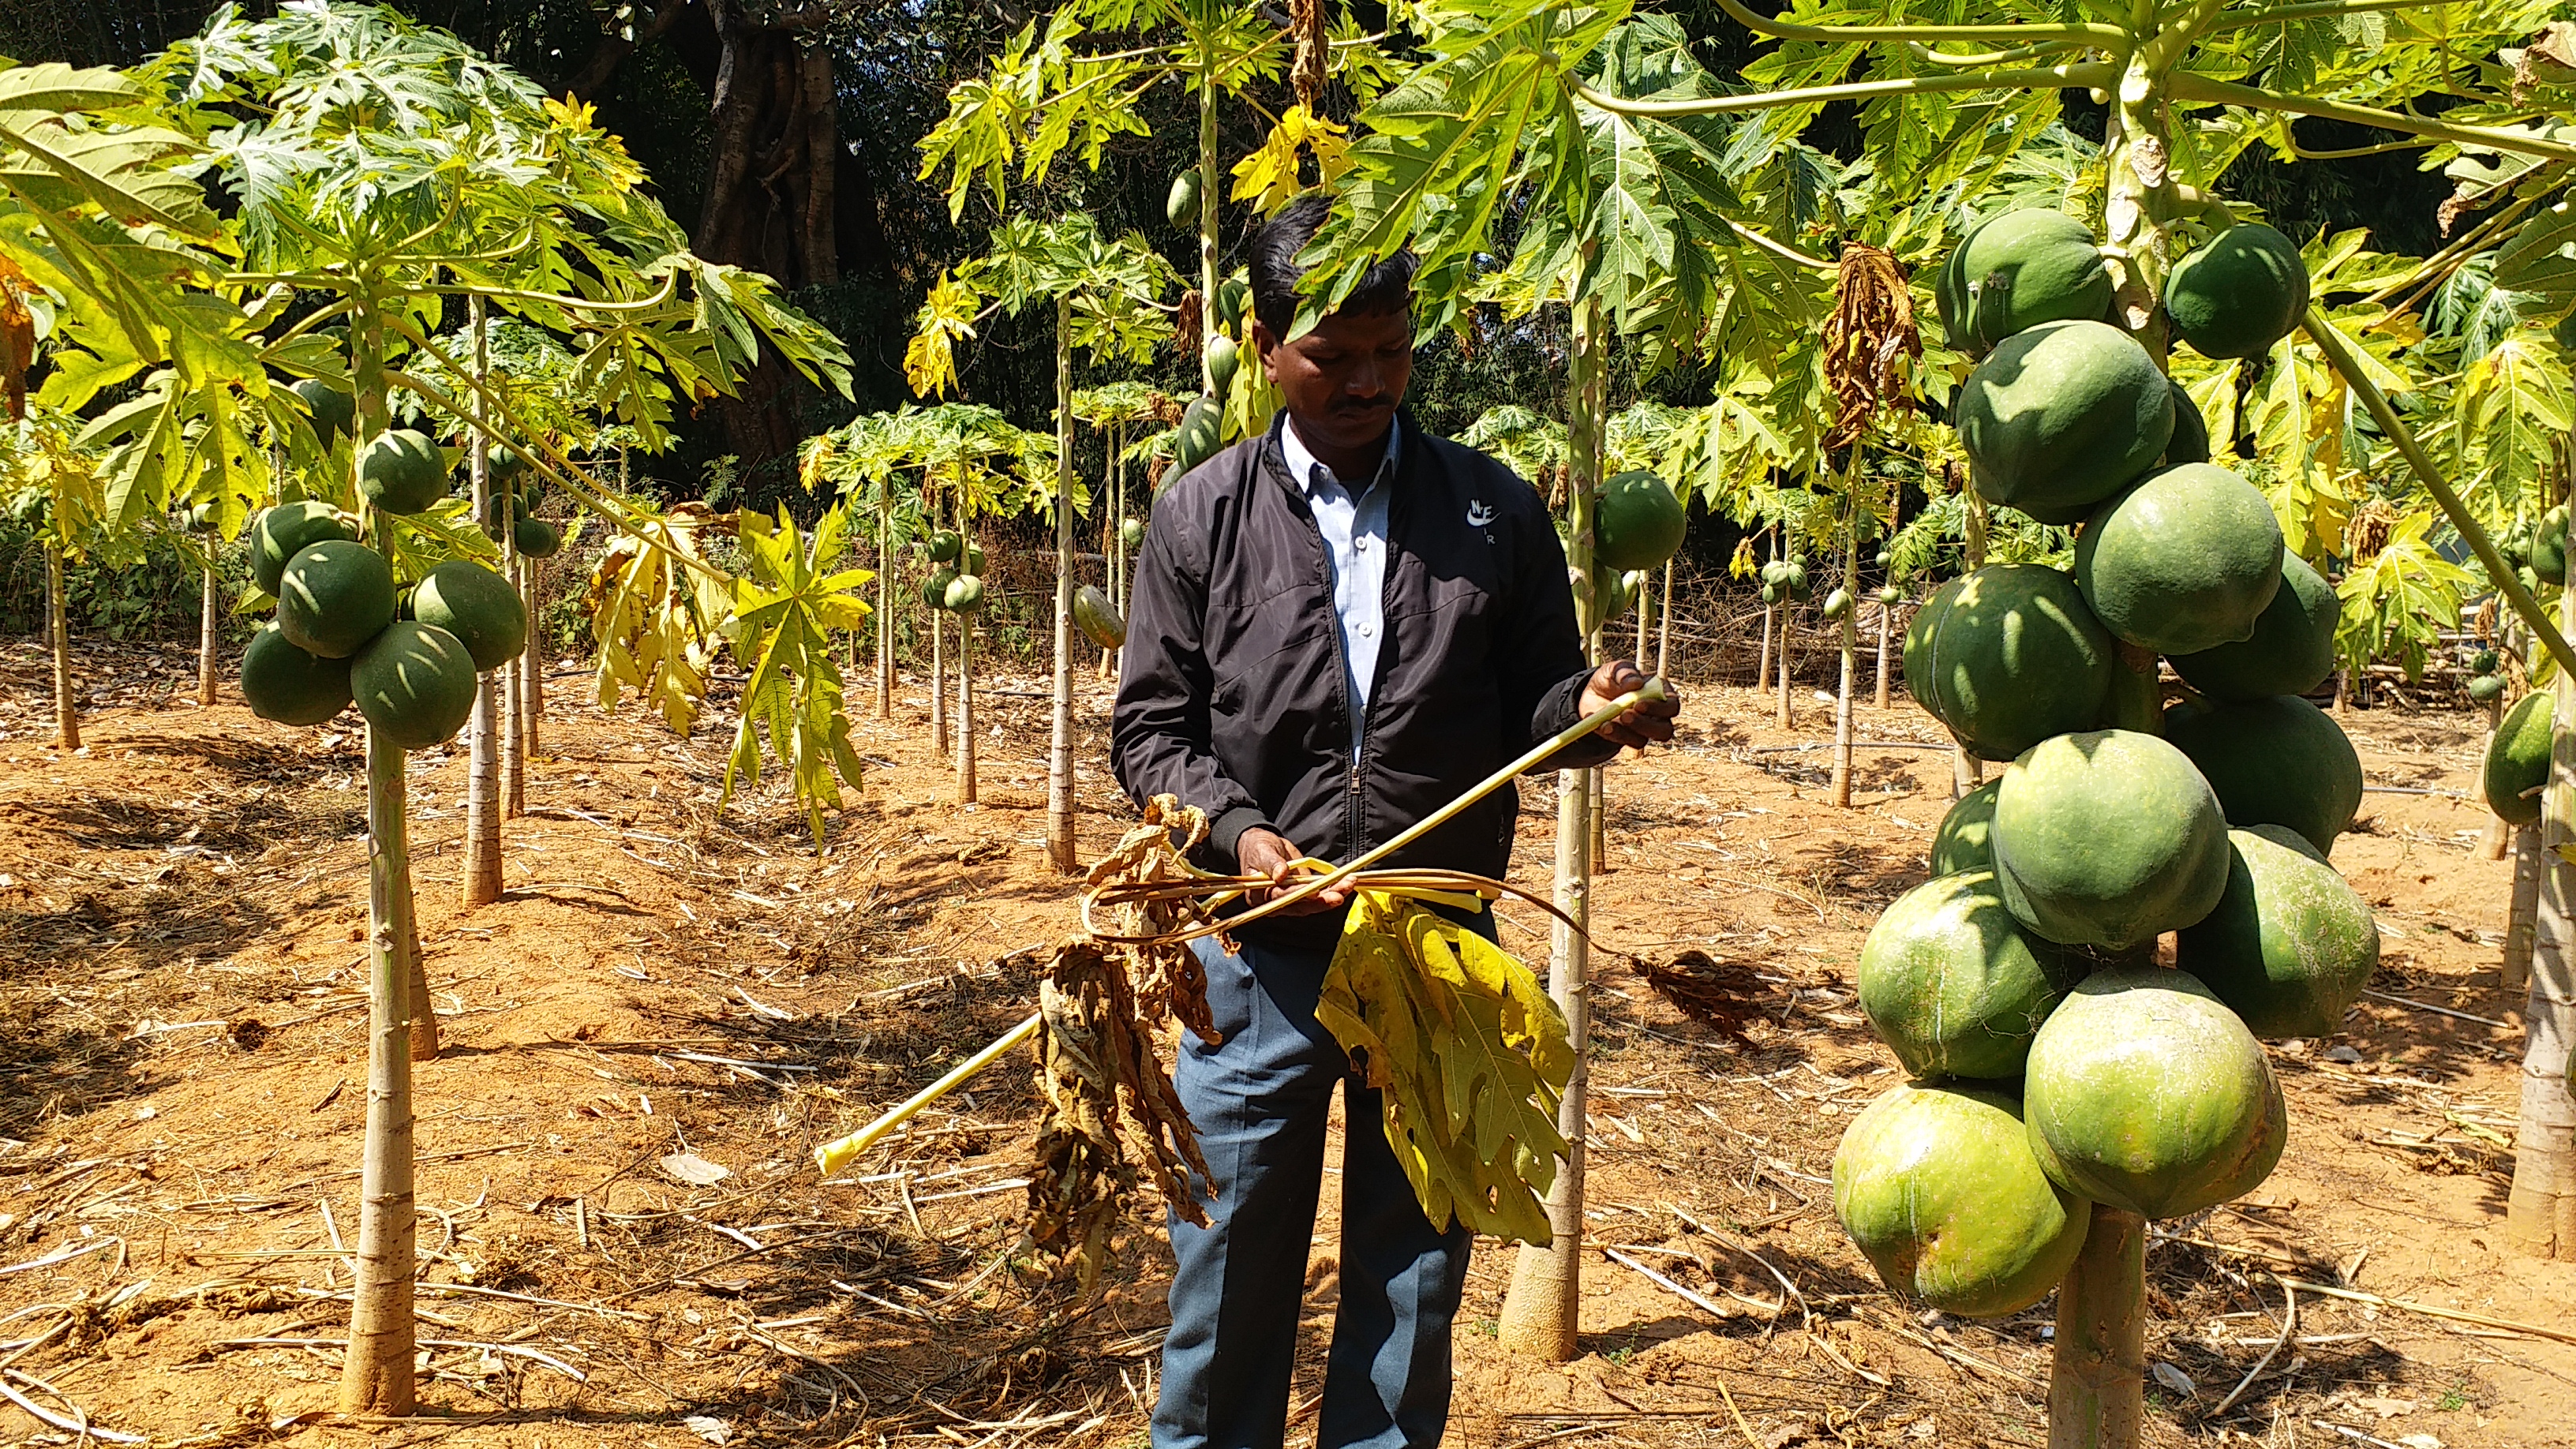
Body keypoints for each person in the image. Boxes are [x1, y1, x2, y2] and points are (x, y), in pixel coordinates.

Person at [1111, 190, 1680, 1449]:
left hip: (1441, 945)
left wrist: (1587, 706)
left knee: (1415, 1278)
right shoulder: (1200, 515)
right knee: (1228, 1265)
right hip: (1259, 949)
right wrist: (1242, 839)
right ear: (1264, 348)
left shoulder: (1494, 510)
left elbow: (1539, 699)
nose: (1368, 382)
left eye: (1392, 352)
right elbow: (1150, 736)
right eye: (1333, 355)